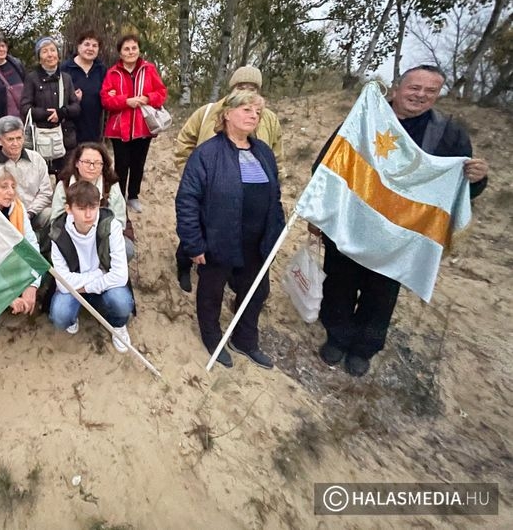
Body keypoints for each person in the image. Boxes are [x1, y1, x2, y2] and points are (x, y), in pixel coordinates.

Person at [312, 64, 489, 377]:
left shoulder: (449, 134)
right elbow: (329, 161)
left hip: (400, 236)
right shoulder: (366, 118)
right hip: (350, 221)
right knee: (339, 282)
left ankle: (363, 349)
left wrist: (476, 180)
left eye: (430, 91)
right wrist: (318, 209)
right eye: (414, 87)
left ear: (437, 95)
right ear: (397, 89)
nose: (420, 95)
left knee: (381, 295)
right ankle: (336, 337)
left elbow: (459, 188)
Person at [175, 90, 285, 370]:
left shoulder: (264, 152)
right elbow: (187, 200)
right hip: (219, 238)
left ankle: (245, 340)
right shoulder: (207, 154)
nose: (253, 115)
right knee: (211, 292)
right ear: (226, 114)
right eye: (246, 109)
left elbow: (276, 195)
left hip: (258, 240)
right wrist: (194, 244)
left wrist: (277, 229)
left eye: (257, 112)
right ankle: (212, 336)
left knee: (256, 292)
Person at [172, 65, 283, 292]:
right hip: (208, 187)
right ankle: (183, 266)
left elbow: (276, 154)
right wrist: (191, 175)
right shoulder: (208, 111)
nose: (247, 91)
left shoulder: (268, 119)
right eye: (242, 86)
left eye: (253, 87)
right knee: (194, 231)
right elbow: (184, 142)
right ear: (232, 88)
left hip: (246, 195)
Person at [48, 181, 134, 353]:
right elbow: (62, 283)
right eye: (81, 208)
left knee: (123, 303)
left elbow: (120, 276)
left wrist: (83, 286)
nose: (88, 214)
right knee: (60, 315)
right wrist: (97, 274)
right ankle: (74, 315)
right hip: (96, 279)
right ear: (68, 209)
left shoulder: (111, 226)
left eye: (93, 207)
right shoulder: (58, 233)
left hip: (87, 285)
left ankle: (117, 324)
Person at [101, 34, 168, 214]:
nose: (131, 52)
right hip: (119, 128)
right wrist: (125, 101)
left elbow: (161, 93)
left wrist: (147, 98)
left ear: (139, 50)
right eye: (126, 49)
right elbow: (106, 99)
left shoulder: (149, 69)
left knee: (138, 163)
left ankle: (133, 196)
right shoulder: (113, 73)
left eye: (134, 48)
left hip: (143, 126)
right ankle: (119, 197)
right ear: (120, 53)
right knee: (121, 164)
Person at [50, 142, 134, 259]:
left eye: (97, 163)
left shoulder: (110, 185)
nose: (92, 167)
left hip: (103, 235)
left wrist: (97, 233)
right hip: (71, 235)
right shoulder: (64, 185)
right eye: (87, 162)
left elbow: (119, 220)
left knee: (127, 249)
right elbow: (56, 219)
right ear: (76, 163)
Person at [0, 116, 53, 232]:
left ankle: (42, 250)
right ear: (0, 140)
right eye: (10, 139)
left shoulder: (37, 159)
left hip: (32, 214)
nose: (16, 143)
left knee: (49, 214)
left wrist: (28, 214)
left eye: (19, 138)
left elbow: (46, 192)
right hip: (1, 220)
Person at [0, 166, 40, 314]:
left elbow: (31, 245)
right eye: (4, 186)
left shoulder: (18, 208)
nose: (11, 192)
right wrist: (8, 297)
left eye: (13, 186)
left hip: (11, 267)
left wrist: (33, 284)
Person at [20, 36, 81, 175]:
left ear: (58, 55)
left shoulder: (66, 78)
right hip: (40, 138)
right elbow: (24, 108)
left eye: (53, 50)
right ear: (39, 57)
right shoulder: (32, 78)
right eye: (45, 51)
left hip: (64, 138)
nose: (50, 54)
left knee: (65, 178)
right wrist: (47, 115)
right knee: (39, 178)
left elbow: (76, 107)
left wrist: (61, 113)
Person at [61, 31, 107, 143]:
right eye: (87, 44)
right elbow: (55, 96)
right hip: (69, 131)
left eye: (94, 46)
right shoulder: (65, 68)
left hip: (94, 129)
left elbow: (107, 93)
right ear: (78, 46)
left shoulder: (101, 69)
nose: (90, 48)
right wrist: (72, 99)